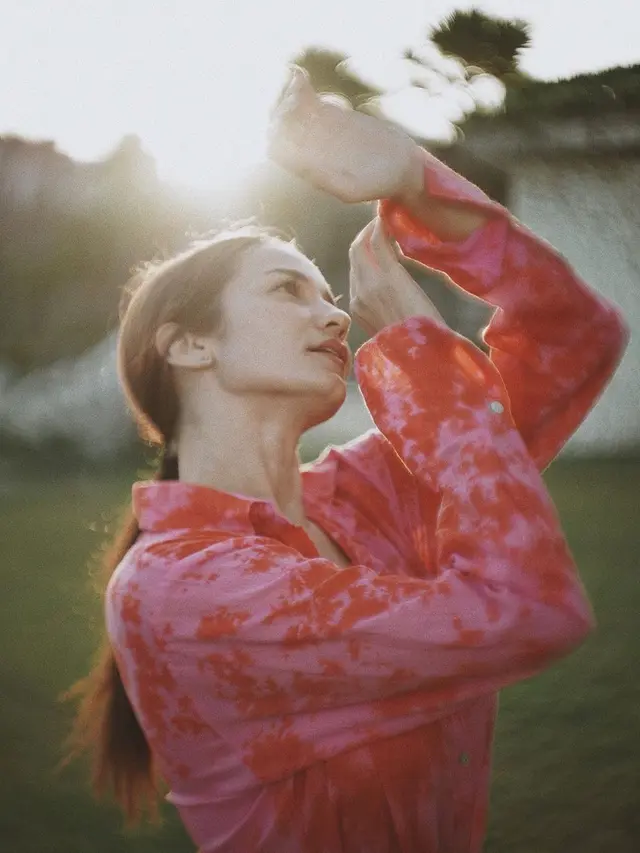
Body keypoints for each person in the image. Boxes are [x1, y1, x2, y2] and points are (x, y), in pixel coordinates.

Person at [64, 67, 629, 853]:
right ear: (190, 343)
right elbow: (530, 609)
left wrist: (417, 188)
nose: (334, 312)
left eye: (329, 293)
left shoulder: (370, 490)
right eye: (289, 291)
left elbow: (576, 335)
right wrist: (423, 359)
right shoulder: (175, 589)